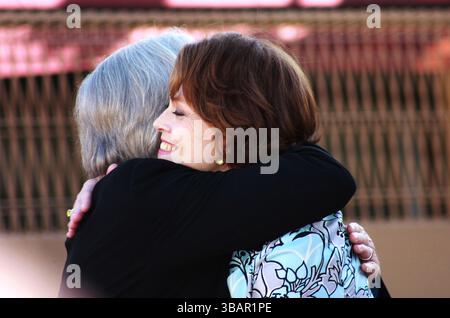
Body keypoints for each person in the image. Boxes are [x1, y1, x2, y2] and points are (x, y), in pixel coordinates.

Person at [60, 31, 384, 298]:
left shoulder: (189, 210)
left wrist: (350, 269)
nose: (164, 121)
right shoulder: (142, 194)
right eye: (173, 104)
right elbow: (325, 175)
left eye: (182, 108)